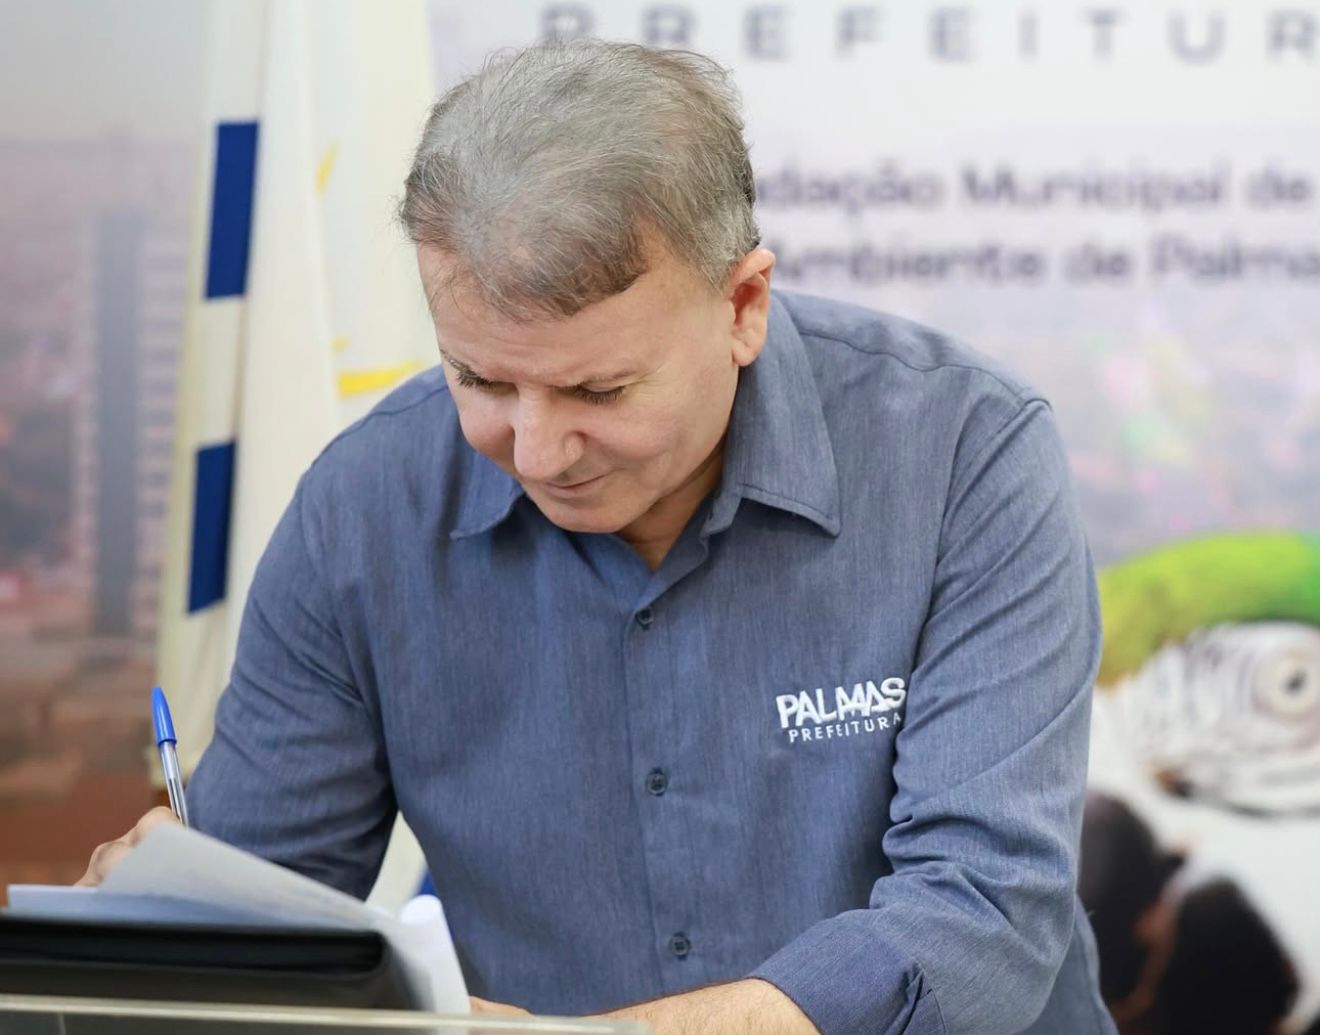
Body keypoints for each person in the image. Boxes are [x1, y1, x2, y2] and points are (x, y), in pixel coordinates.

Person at [79, 39, 1113, 1035]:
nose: (535, 452)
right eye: (481, 380)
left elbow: (981, 915)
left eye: (599, 390)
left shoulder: (963, 451)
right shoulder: (363, 509)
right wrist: (165, 933)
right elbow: (263, 935)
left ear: (743, 305)